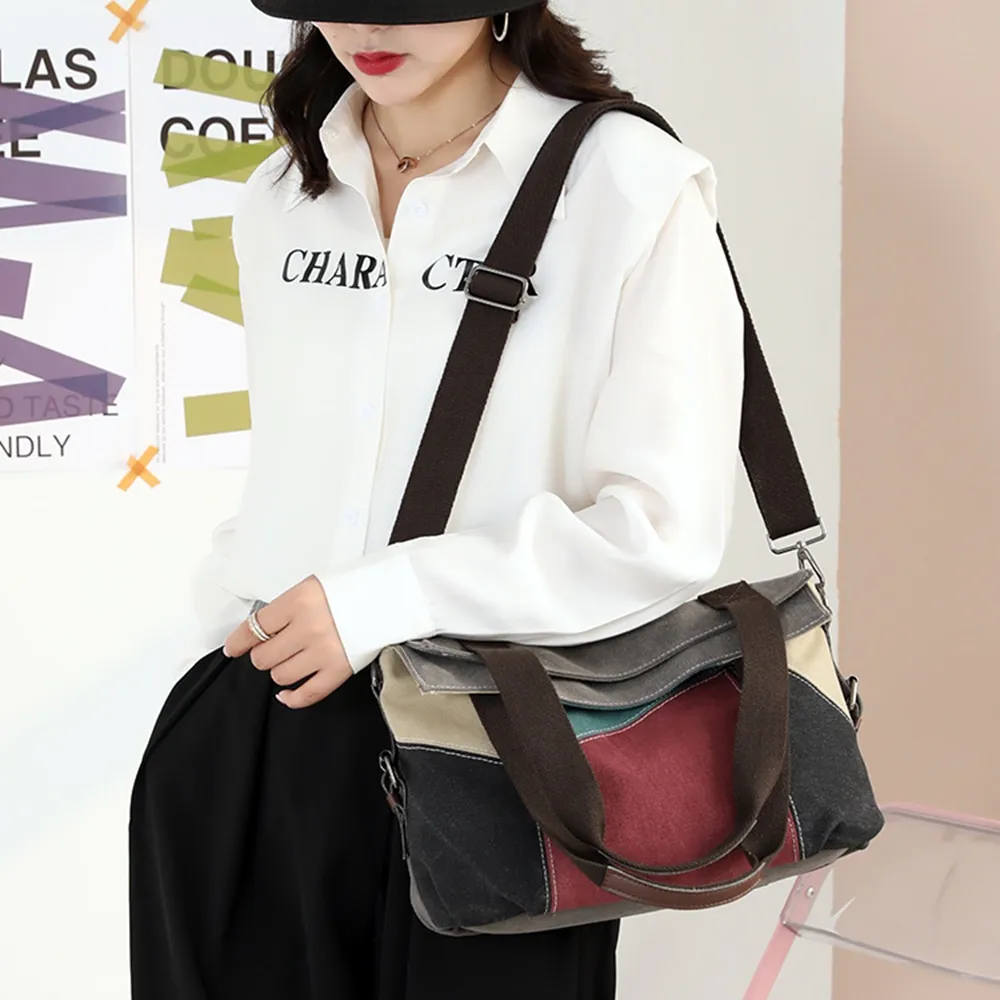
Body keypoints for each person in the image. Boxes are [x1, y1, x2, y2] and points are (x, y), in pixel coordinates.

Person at [129, 2, 745, 998]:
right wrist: (235, 631)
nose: (368, 25)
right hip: (259, 731)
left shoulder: (626, 182)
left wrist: (379, 600)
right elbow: (296, 460)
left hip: (501, 754)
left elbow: (660, 526)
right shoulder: (284, 189)